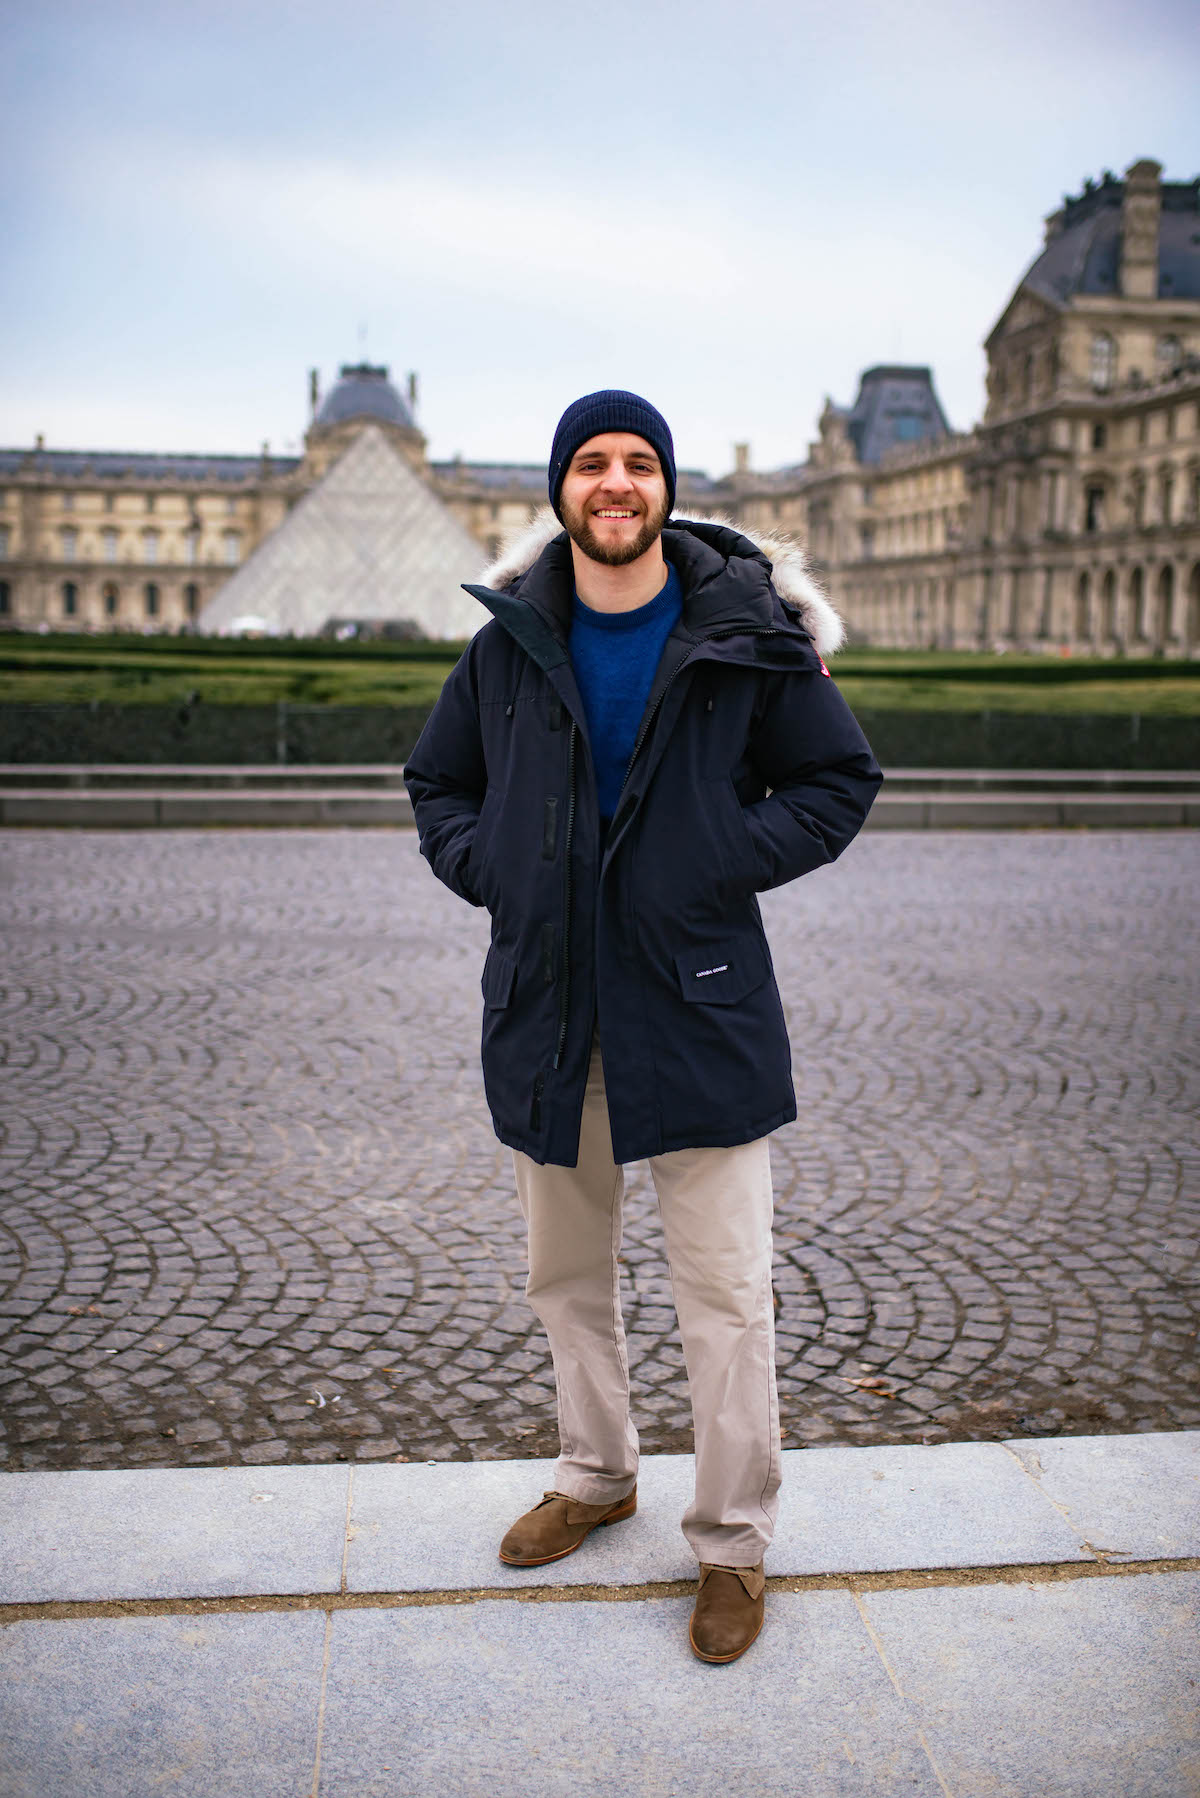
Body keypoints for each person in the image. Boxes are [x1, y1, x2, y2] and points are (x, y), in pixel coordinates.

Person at [405, 390, 881, 1662]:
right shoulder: (507, 640)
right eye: (591, 465)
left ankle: (731, 1543)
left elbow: (840, 780)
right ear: (560, 489)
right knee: (567, 1279)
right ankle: (596, 1473)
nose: (614, 485)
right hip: (551, 1000)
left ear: (666, 487)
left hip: (700, 1000)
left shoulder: (745, 628)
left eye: (637, 464)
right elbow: (437, 781)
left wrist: (719, 854)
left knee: (724, 1293)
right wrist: (496, 865)